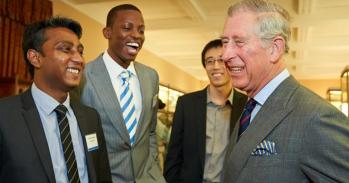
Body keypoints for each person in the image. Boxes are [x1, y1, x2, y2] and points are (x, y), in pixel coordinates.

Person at [221, 0, 349, 182]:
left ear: (274, 49)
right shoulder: (249, 107)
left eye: (239, 42)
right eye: (225, 42)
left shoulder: (315, 117)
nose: (225, 55)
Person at [0, 17, 112, 183]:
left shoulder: (90, 118)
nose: (79, 59)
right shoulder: (4, 116)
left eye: (80, 51)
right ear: (35, 58)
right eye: (66, 49)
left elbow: (102, 176)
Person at [74, 4, 165, 183]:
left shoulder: (150, 76)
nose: (137, 35)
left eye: (141, 30)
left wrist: (154, 167)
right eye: (127, 28)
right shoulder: (84, 76)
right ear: (107, 32)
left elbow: (151, 131)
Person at [164, 39, 248, 183]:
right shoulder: (187, 104)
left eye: (221, 60)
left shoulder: (246, 105)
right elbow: (173, 155)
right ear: (205, 66)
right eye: (210, 61)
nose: (215, 66)